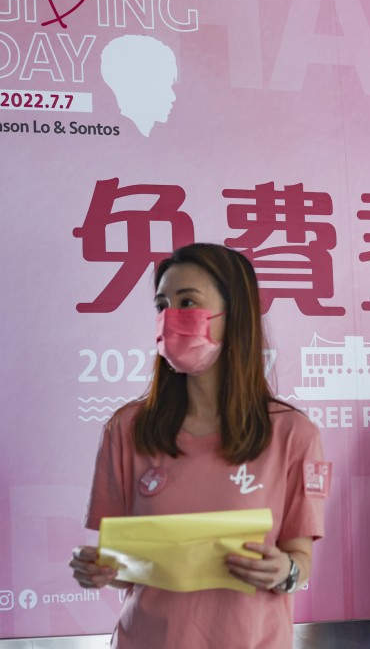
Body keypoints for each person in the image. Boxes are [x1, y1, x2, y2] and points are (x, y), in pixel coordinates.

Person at [69, 243, 327, 648]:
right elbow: (120, 564)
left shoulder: (293, 434)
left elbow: (300, 559)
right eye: (162, 305)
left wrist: (284, 572)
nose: (170, 318)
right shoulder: (126, 429)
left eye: (187, 302)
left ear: (234, 314)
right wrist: (98, 569)